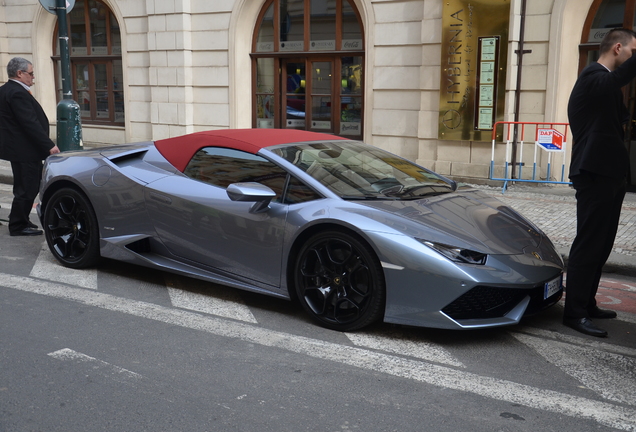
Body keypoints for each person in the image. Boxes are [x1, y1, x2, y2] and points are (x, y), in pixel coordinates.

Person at [564, 28, 636, 337]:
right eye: (633, 51)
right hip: (593, 174)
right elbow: (611, 84)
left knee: (603, 244)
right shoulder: (594, 75)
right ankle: (574, 312)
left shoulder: (604, 85)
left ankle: (587, 302)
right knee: (589, 243)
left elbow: (618, 118)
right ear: (618, 48)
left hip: (608, 175)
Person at [0, 57, 60, 236]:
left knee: (25, 186)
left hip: (18, 149)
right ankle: (18, 225)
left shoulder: (5, 90)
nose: (33, 78)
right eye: (31, 74)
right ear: (19, 73)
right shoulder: (17, 93)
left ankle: (20, 219)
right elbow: (29, 123)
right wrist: (49, 145)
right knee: (28, 187)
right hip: (25, 150)